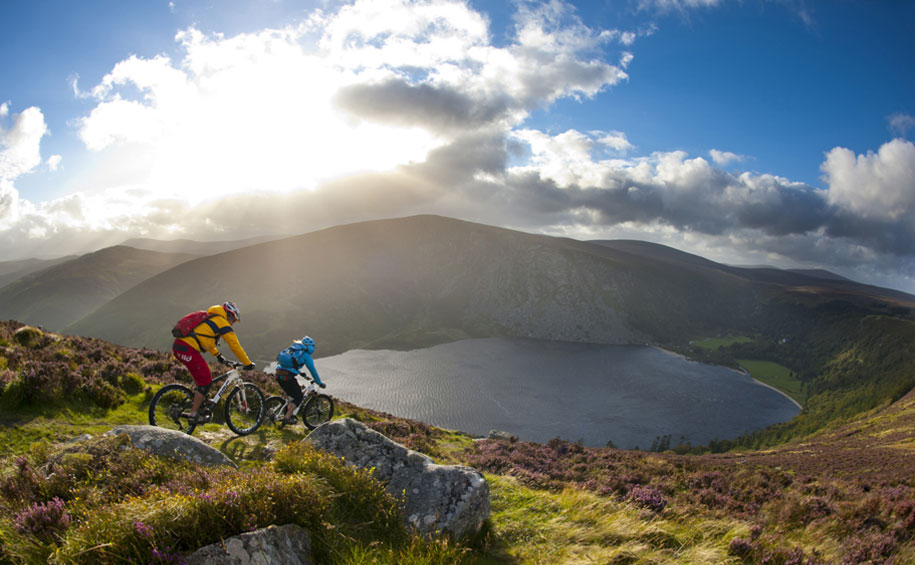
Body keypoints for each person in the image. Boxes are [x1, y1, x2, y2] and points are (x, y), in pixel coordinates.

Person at [172, 301, 255, 423]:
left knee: (202, 381)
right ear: (229, 315)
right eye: (233, 320)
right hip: (187, 349)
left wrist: (218, 355)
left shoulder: (213, 318)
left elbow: (206, 340)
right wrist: (247, 363)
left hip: (181, 347)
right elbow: (234, 345)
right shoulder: (222, 322)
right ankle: (193, 415)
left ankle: (199, 404)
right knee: (206, 380)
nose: (233, 323)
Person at [275, 335, 325, 424]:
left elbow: (291, 365)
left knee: (292, 396)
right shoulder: (306, 356)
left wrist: (300, 373)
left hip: (278, 375)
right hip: (288, 377)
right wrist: (319, 382)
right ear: (311, 347)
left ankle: (287, 414)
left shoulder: (293, 350)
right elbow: (313, 371)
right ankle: (287, 417)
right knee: (299, 397)